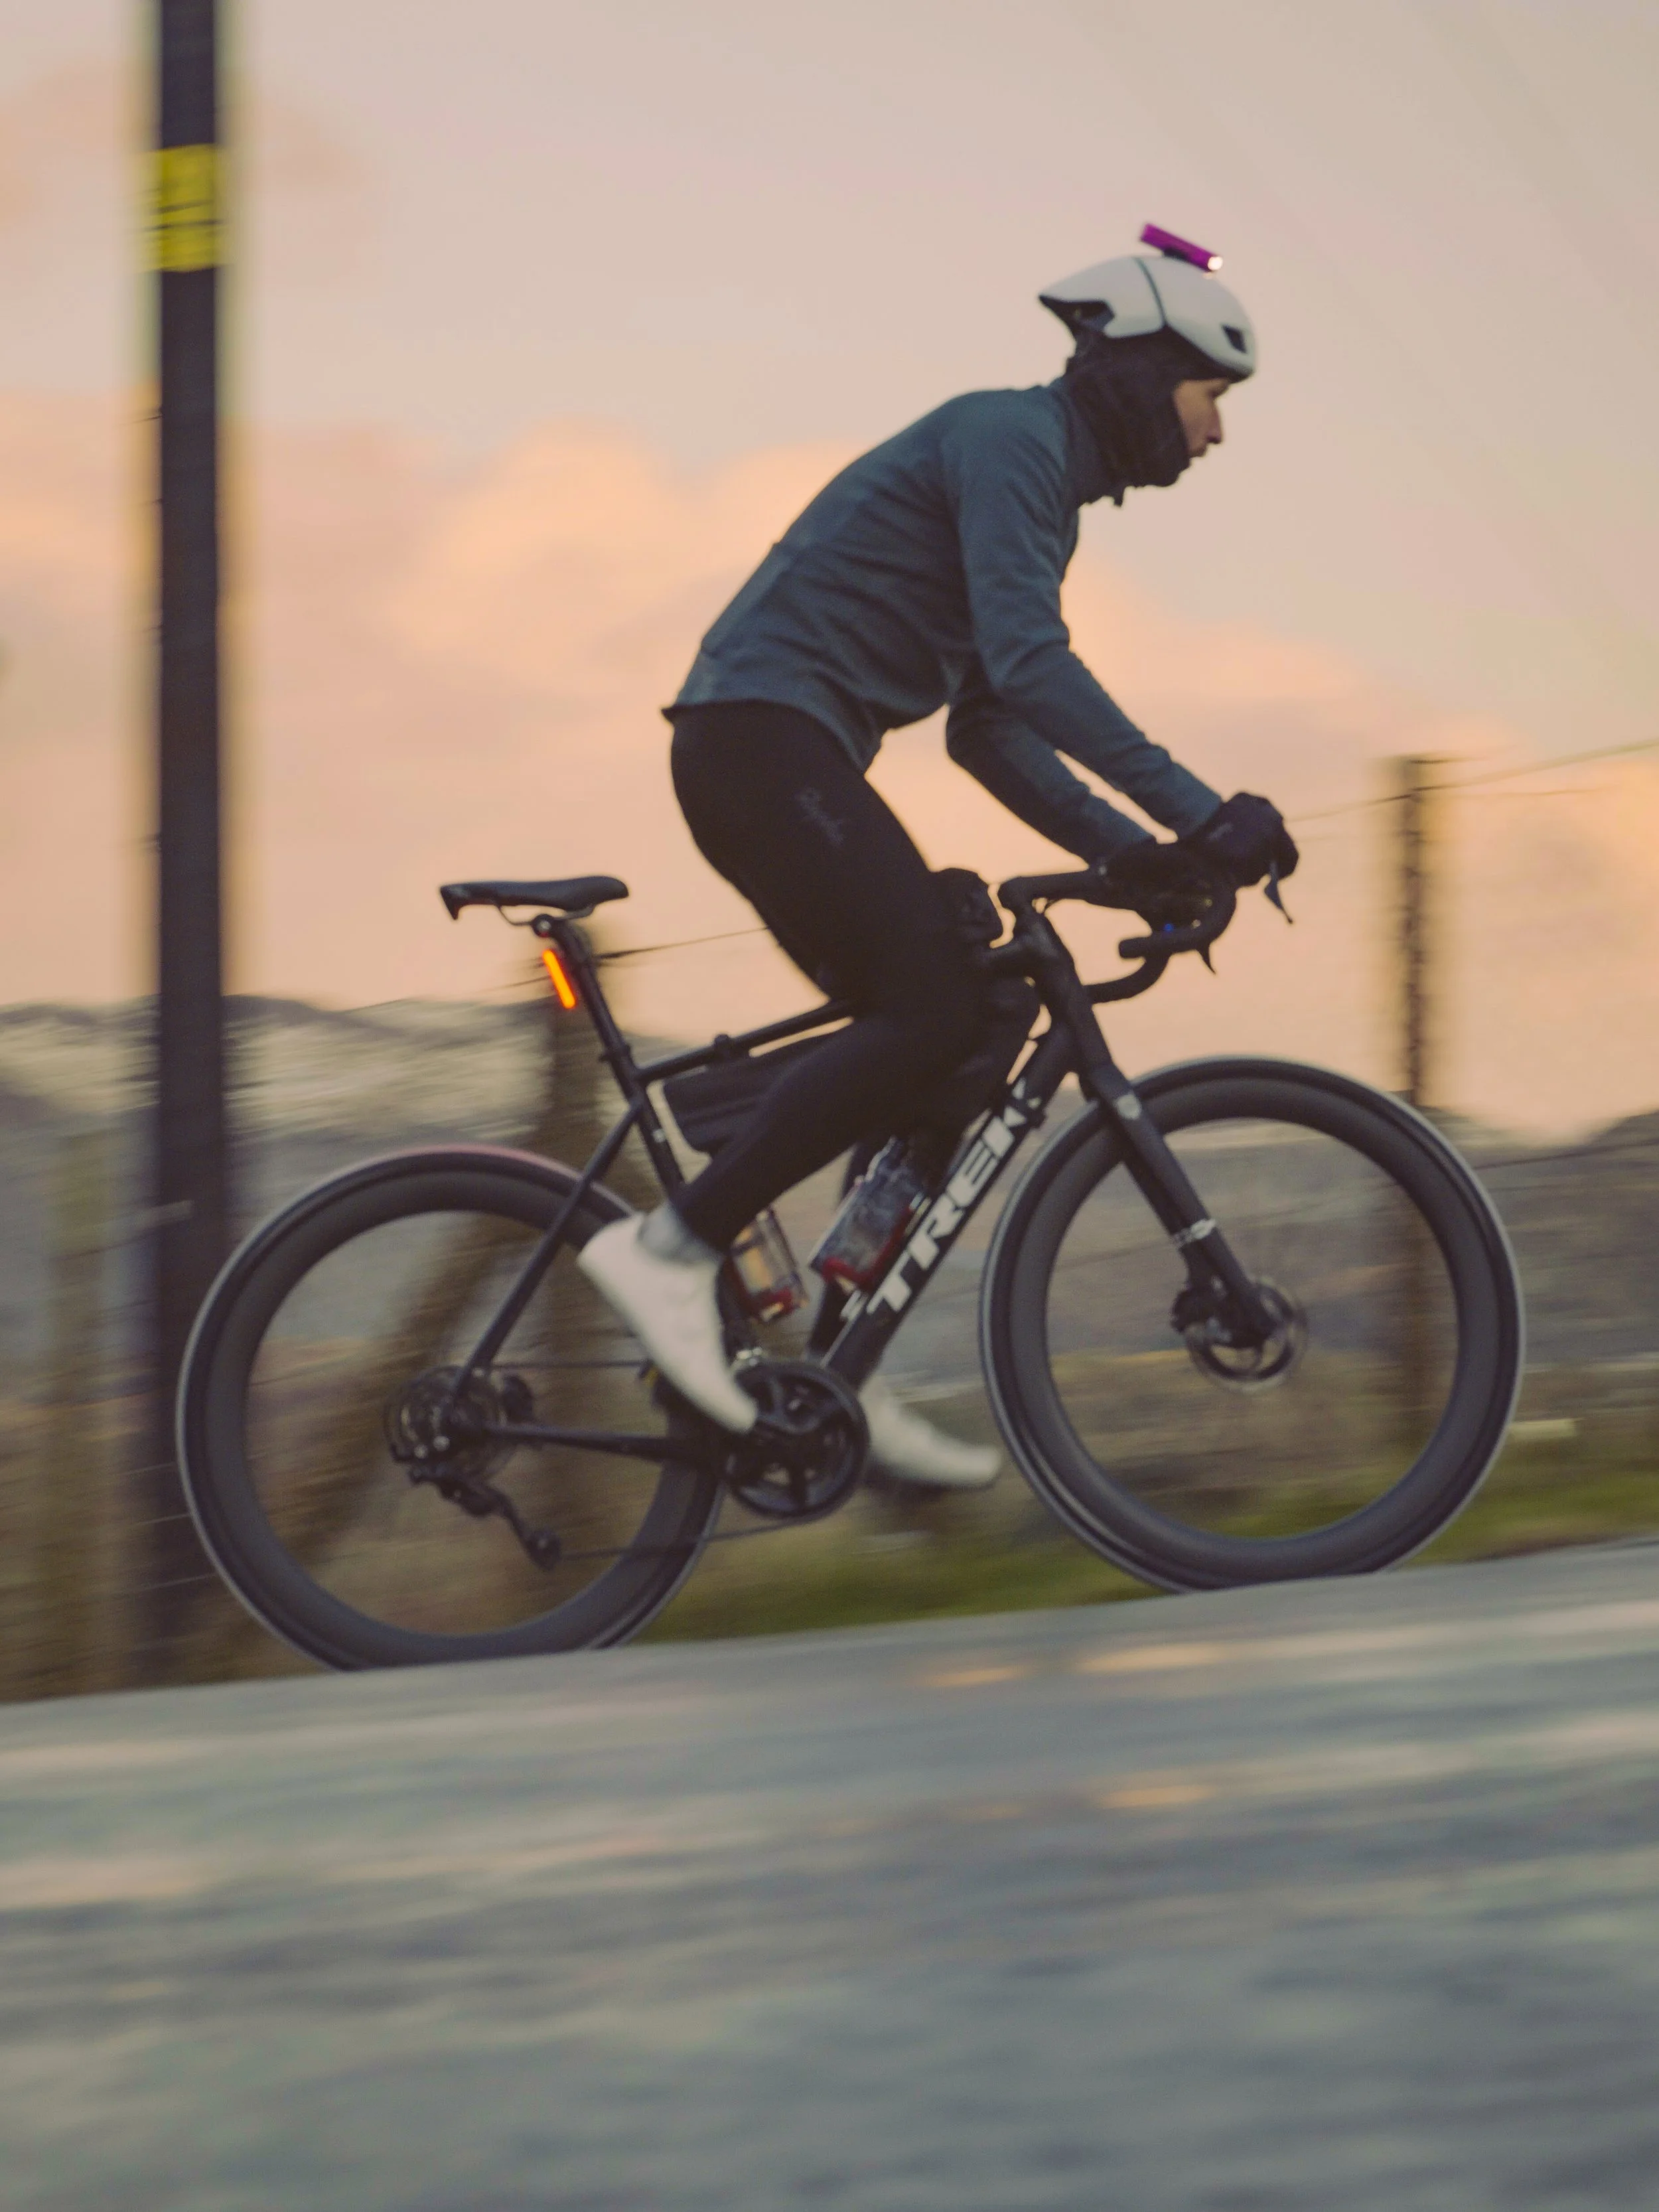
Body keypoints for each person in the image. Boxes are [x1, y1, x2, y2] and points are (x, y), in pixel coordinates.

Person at [581, 230, 1299, 1487]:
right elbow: (1028, 670)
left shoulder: (1041, 487)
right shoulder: (1009, 443)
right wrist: (1196, 814)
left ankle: (832, 1375)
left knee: (962, 1020)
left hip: (786, 751)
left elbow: (988, 728)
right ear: (1143, 371)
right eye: (1210, 396)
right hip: (760, 744)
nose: (1218, 433)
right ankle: (674, 1248)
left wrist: (1134, 857)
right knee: (923, 1007)